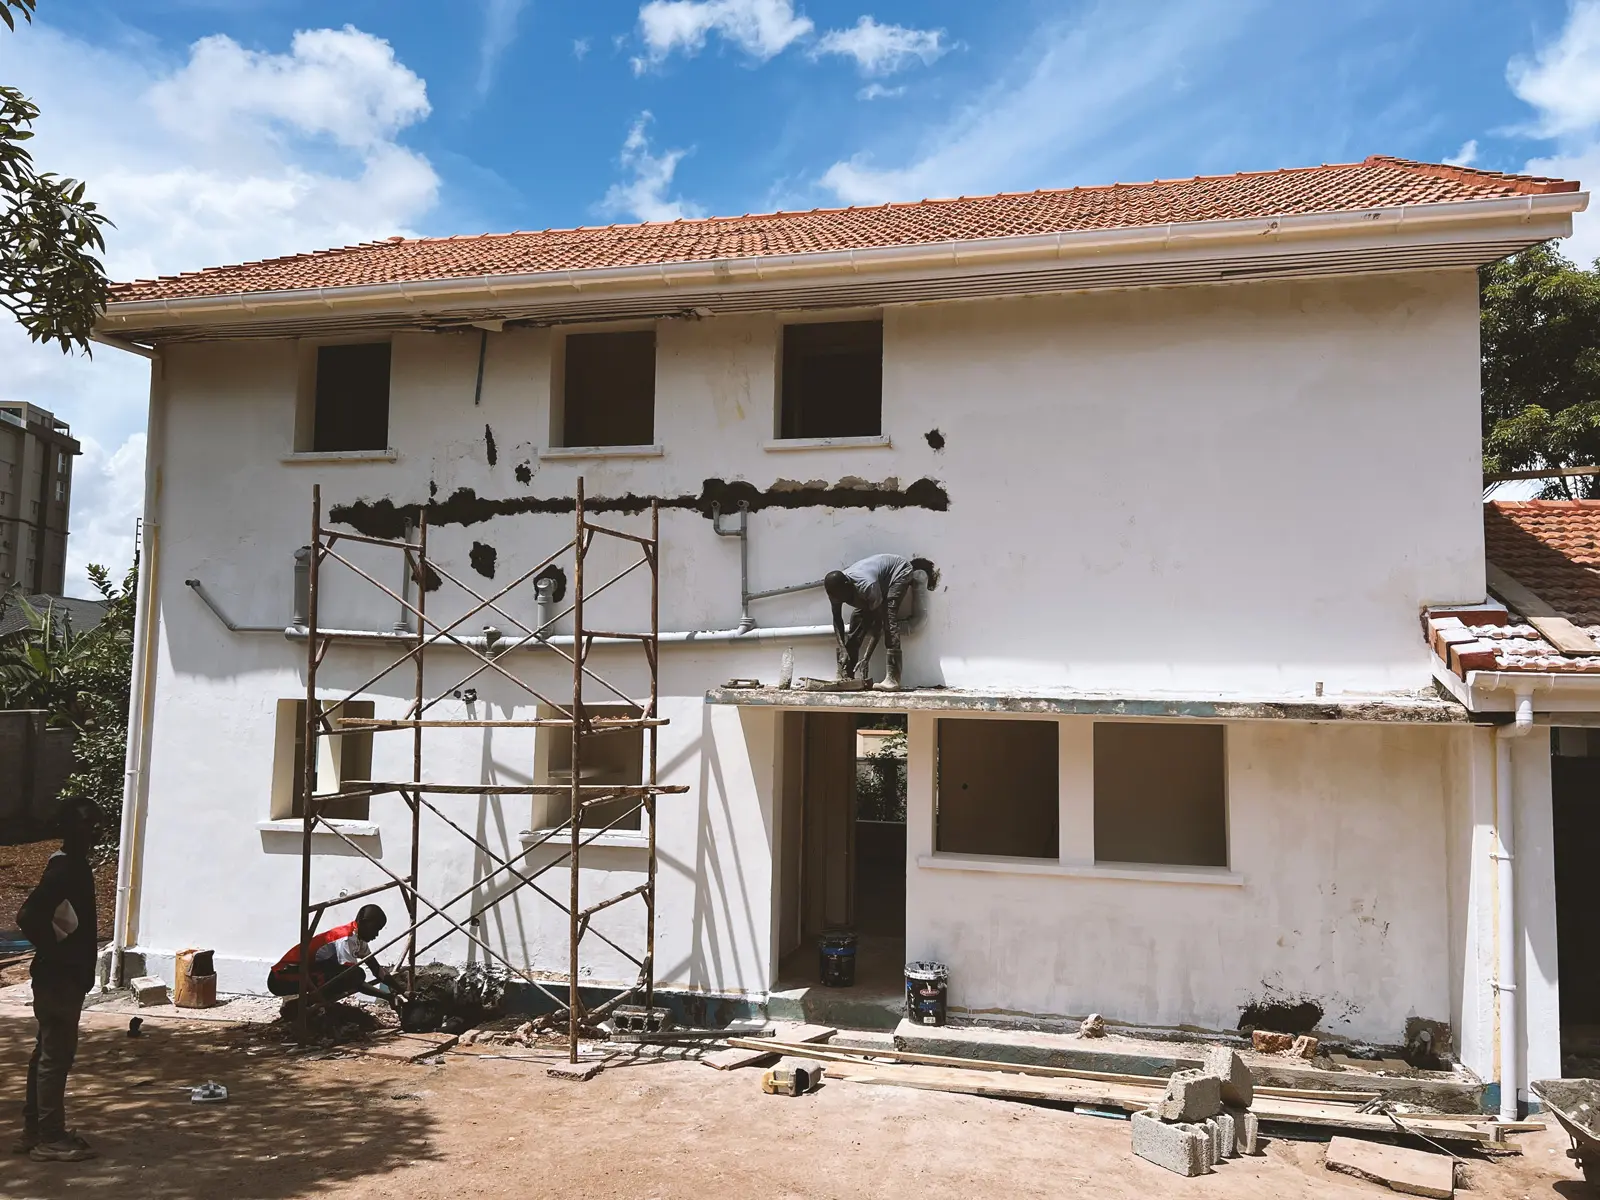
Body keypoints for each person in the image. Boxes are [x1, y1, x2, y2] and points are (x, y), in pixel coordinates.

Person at [13, 796, 101, 1163]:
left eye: (94, 826)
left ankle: (35, 1130)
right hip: (57, 979)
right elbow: (28, 916)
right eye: (84, 825)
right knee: (55, 1057)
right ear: (67, 829)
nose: (91, 833)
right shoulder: (65, 870)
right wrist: (59, 952)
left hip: (61, 976)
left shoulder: (72, 865)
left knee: (45, 1053)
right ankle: (49, 1137)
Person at [824, 555, 938, 691]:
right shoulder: (834, 590)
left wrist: (867, 657)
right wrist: (843, 649)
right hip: (876, 586)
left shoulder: (867, 586)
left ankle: (893, 678)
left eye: (842, 596)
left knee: (889, 618)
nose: (840, 600)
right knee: (856, 622)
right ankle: (847, 675)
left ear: (848, 586)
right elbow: (837, 620)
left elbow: (879, 626)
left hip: (899, 572)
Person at [266, 904, 398, 1016]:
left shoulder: (359, 941)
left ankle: (306, 1004)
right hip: (281, 977)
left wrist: (402, 991)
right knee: (352, 975)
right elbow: (353, 980)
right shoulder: (345, 938)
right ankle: (299, 1005)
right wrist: (388, 997)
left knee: (352, 975)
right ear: (363, 922)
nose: (376, 934)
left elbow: (377, 970)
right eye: (375, 929)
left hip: (306, 973)